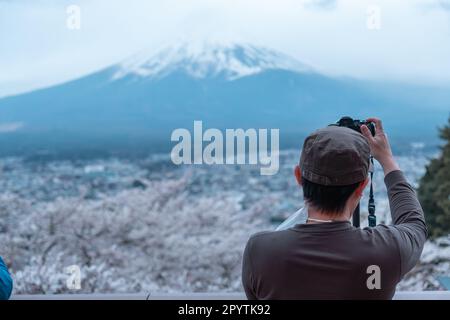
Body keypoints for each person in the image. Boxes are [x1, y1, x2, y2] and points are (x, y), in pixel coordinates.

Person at [242, 118, 427, 299]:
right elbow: (414, 224)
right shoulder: (389, 250)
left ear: (298, 176)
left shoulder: (260, 251)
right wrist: (387, 160)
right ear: (362, 186)